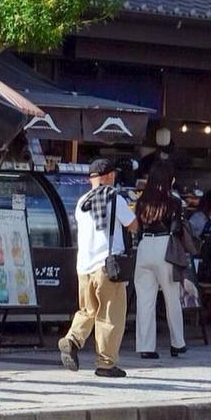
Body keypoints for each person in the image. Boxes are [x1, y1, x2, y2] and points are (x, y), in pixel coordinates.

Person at [58, 157, 137, 378]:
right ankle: (106, 363)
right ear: (110, 176)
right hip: (108, 267)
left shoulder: (81, 202)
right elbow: (133, 224)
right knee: (110, 315)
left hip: (83, 267)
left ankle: (72, 340)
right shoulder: (115, 198)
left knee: (87, 310)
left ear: (90, 179)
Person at [133, 163, 186, 360]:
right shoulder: (173, 202)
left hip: (145, 247)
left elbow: (137, 229)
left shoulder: (141, 202)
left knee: (145, 300)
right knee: (172, 298)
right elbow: (177, 229)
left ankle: (146, 347)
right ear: (168, 179)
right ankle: (177, 343)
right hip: (165, 247)